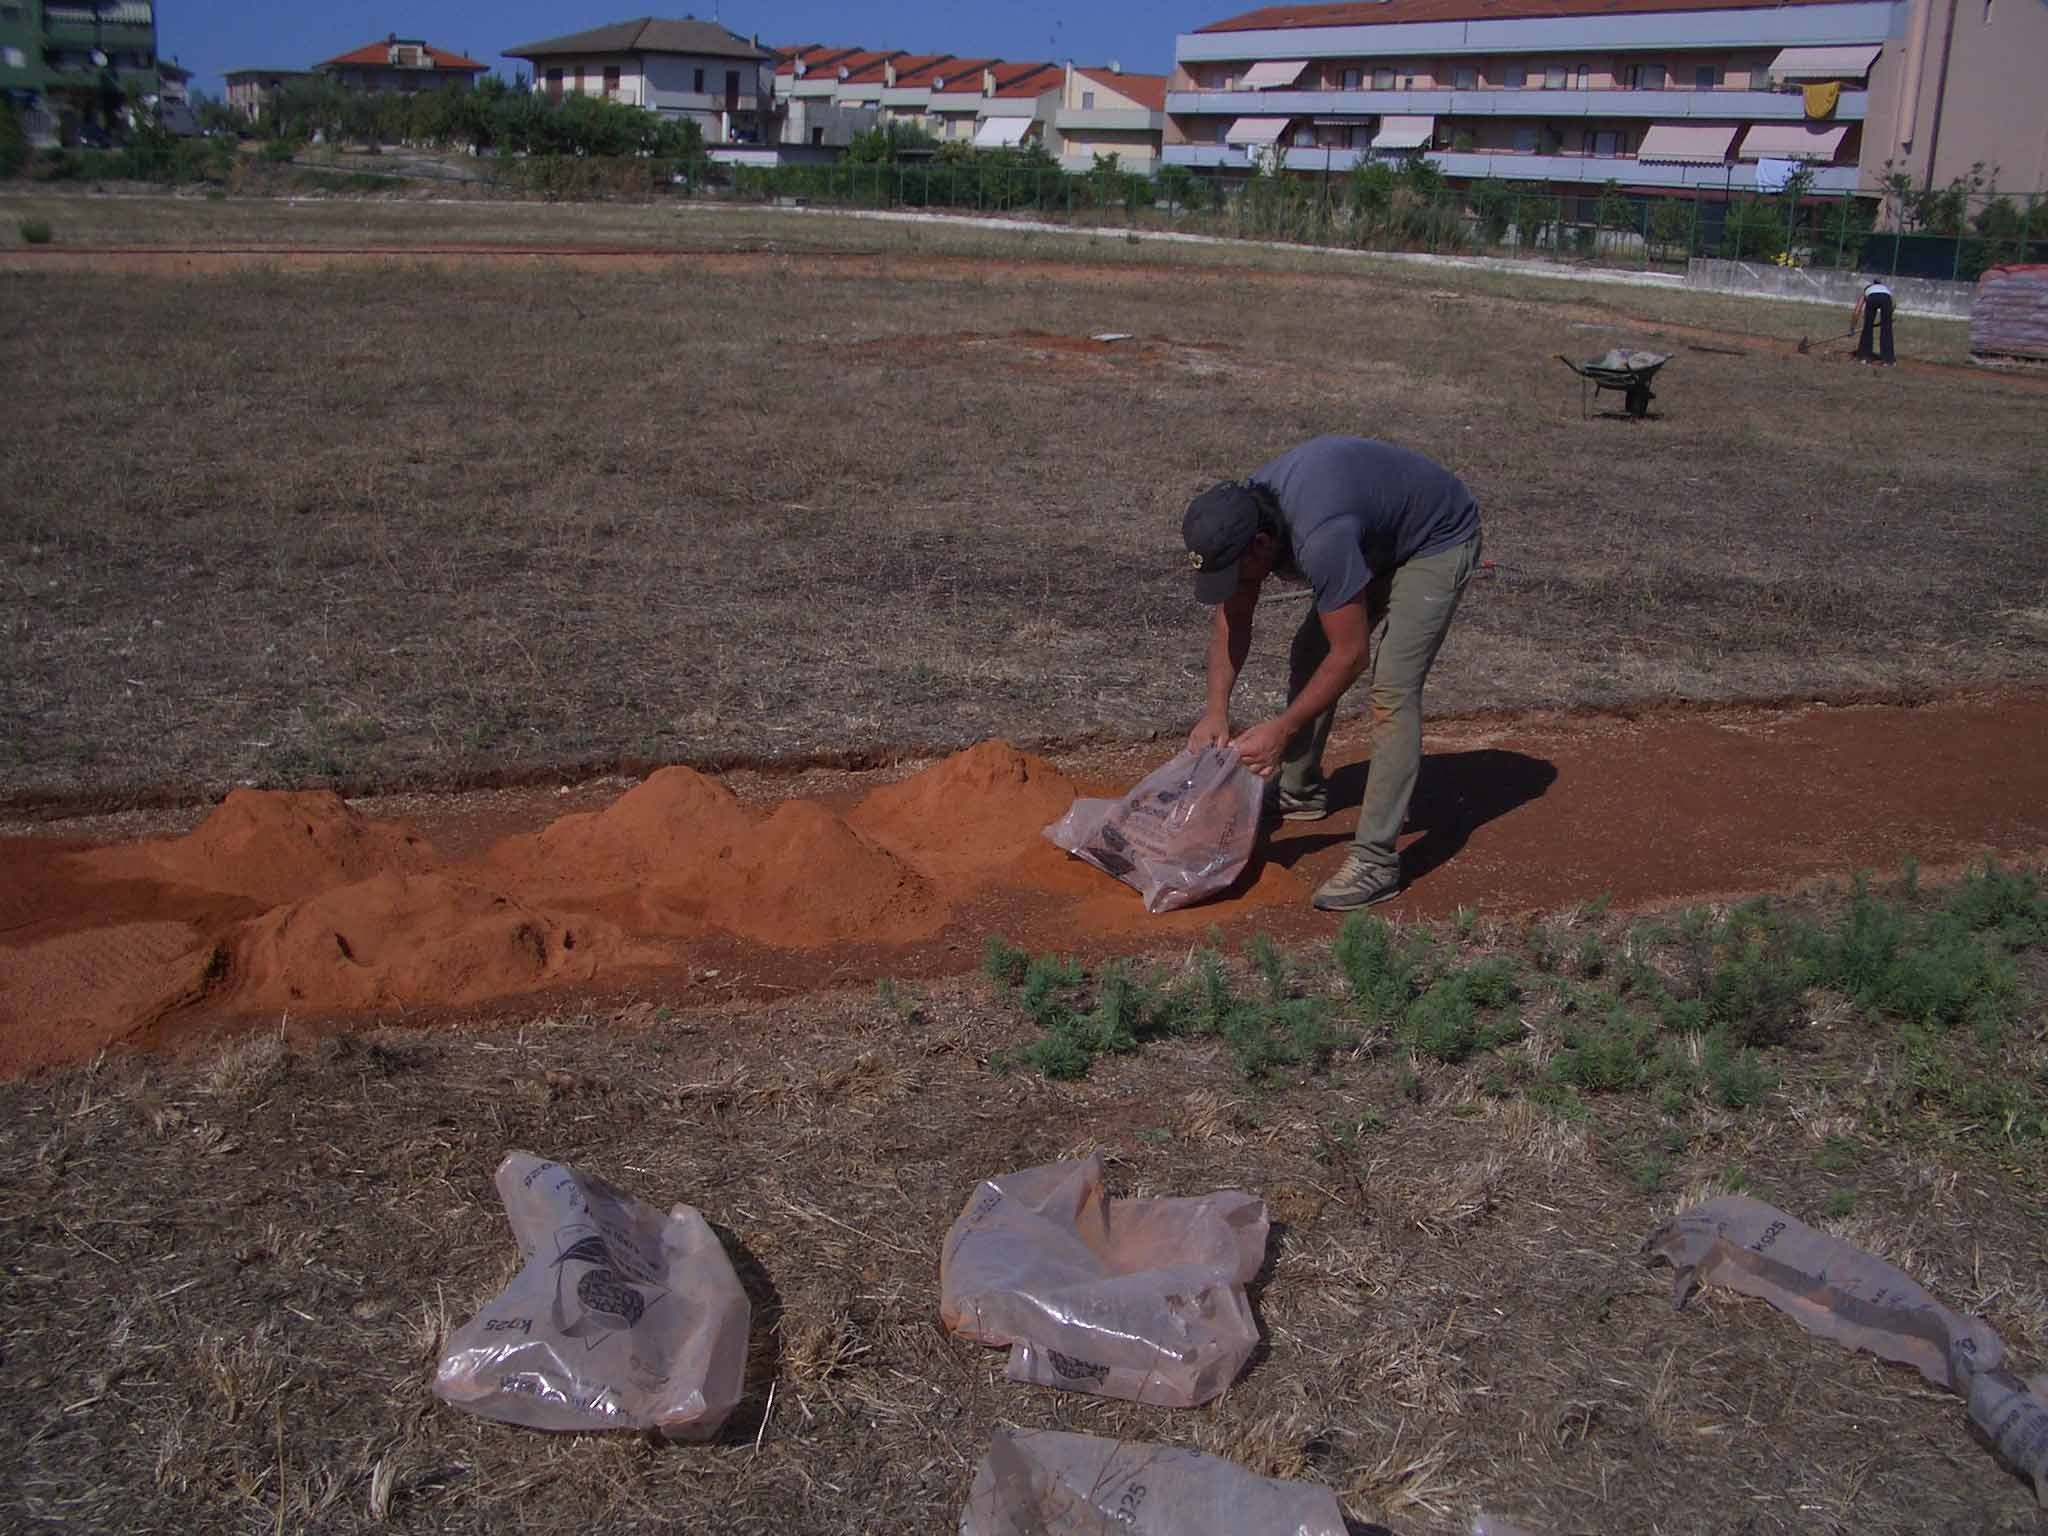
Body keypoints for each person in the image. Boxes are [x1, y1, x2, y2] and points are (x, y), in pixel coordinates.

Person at [1182, 435, 1482, 912]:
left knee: (1391, 687)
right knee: (1308, 653)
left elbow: (1351, 654)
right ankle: (1301, 792)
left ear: (1261, 546)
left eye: (1234, 574)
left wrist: (1283, 729)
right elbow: (1233, 618)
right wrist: (1215, 711)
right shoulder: (1244, 522)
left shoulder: (1317, 537)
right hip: (1368, 532)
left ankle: (1377, 861)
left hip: (1435, 538)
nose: (1232, 587)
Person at [1851, 279, 1896, 365]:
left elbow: (1857, 311)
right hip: (1886, 299)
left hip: (1872, 298)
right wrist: (1886, 320)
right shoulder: (1886, 289)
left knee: (1867, 328)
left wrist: (1852, 328)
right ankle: (1888, 360)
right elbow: (1893, 304)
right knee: (1886, 329)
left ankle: (1864, 357)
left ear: (1872, 284)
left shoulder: (1867, 290)